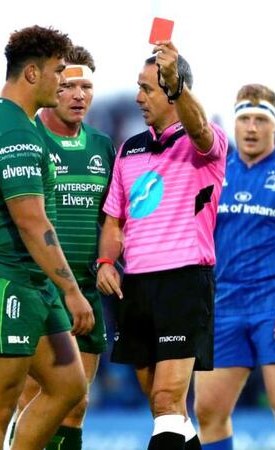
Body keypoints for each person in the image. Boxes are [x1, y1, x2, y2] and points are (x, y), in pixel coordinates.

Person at [0, 26, 95, 450]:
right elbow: (32, 222)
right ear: (31, 73)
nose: (63, 82)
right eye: (57, 72)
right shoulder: (15, 133)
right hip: (1, 282)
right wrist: (72, 290)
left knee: (69, 385)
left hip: (29, 284)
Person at [96, 41, 228, 450]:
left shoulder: (204, 144)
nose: (138, 97)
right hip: (135, 286)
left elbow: (201, 129)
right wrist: (105, 260)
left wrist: (177, 87)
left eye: (149, 88)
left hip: (183, 282)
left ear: (173, 90)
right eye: (139, 87)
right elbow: (115, 217)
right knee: (165, 411)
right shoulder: (129, 149)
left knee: (168, 398)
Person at [193, 84, 275, 450]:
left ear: (273, 126)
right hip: (224, 308)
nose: (251, 128)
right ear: (234, 125)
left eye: (260, 120)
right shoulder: (214, 174)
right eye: (245, 119)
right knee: (208, 412)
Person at [13, 45, 116, 450]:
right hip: (38, 289)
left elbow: (112, 218)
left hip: (85, 293)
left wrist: (108, 259)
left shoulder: (103, 146)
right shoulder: (26, 137)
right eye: (69, 85)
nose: (78, 95)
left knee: (75, 403)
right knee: (33, 402)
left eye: (86, 87)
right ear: (52, 84)